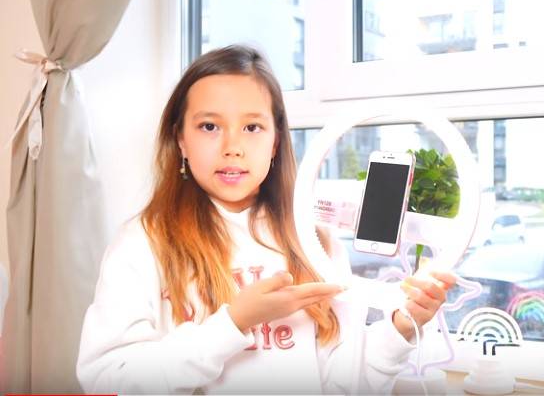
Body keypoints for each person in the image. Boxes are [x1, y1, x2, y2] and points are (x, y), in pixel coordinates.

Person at [76, 45, 456, 394]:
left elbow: (343, 384)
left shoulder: (314, 243)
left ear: (275, 141)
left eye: (252, 127)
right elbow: (106, 378)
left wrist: (402, 327)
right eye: (209, 126)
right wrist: (234, 322)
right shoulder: (143, 244)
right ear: (180, 140)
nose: (232, 148)